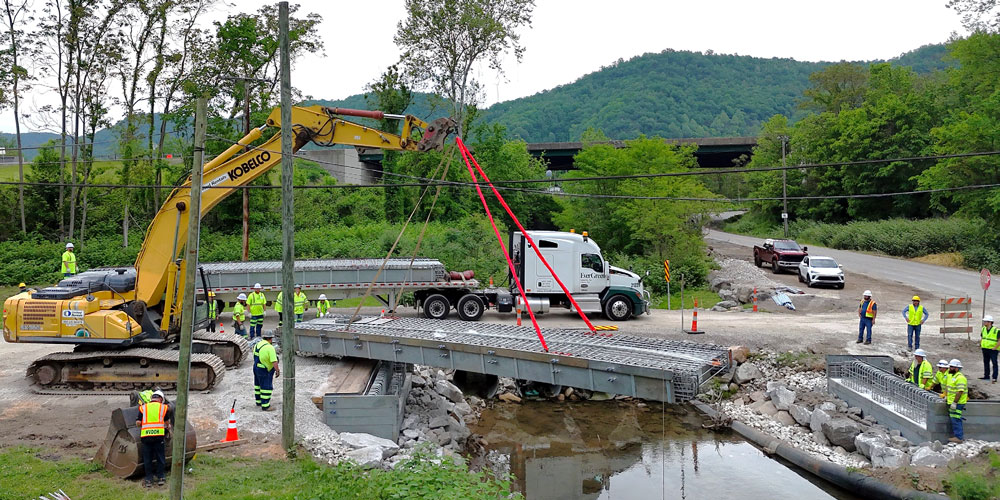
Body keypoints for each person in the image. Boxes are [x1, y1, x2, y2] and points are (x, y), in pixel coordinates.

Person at [135, 390, 171, 487]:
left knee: (147, 458)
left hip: (146, 437)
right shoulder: (163, 408)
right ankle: (161, 477)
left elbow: (138, 423)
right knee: (160, 457)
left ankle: (149, 479)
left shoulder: (143, 408)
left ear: (152, 398)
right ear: (160, 399)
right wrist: (168, 426)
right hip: (159, 437)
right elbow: (167, 422)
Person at [252, 330, 280, 411]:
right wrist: (277, 370)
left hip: (256, 367)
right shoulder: (270, 348)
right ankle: (265, 405)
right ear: (270, 339)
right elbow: (274, 361)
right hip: (264, 370)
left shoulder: (258, 345)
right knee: (266, 387)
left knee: (258, 385)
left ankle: (258, 401)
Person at [944, 359, 968, 443]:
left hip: (958, 403)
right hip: (952, 402)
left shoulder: (960, 378)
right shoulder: (951, 376)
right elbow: (949, 387)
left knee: (956, 419)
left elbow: (960, 391)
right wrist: (946, 397)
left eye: (951, 367)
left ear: (957, 368)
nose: (949, 368)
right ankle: (957, 436)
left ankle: (959, 437)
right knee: (953, 418)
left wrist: (955, 402)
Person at [980, 315, 998, 383]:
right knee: (986, 362)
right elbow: (982, 337)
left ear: (990, 322)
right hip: (985, 348)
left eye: (985, 321)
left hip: (993, 350)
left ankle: (994, 377)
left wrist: (995, 347)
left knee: (994, 363)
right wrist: (981, 344)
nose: (984, 322)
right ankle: (986, 376)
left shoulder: (996, 330)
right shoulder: (983, 329)